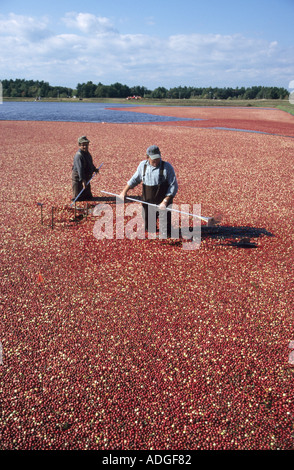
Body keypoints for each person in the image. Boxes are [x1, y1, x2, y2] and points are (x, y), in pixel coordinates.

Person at [119, 145, 178, 237]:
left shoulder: (167, 167)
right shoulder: (143, 166)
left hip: (163, 203)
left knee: (165, 232)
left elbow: (173, 185)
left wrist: (165, 201)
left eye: (158, 158)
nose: (156, 161)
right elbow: (134, 179)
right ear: (147, 157)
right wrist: (124, 192)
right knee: (150, 228)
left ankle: (166, 232)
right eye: (153, 159)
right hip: (148, 202)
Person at [72, 136, 99, 201]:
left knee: (88, 196)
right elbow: (80, 169)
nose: (85, 147)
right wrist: (83, 180)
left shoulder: (87, 153)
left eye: (86, 145)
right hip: (79, 178)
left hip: (86, 177)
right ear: (79, 145)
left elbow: (89, 163)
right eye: (83, 145)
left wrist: (94, 169)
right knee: (78, 197)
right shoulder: (79, 156)